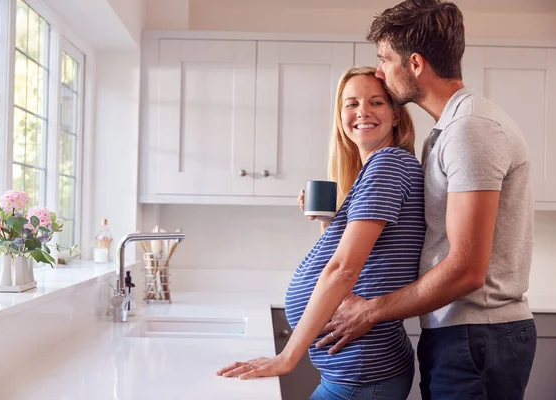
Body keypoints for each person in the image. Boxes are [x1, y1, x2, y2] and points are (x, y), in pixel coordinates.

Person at [316, 1, 537, 399]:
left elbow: (467, 270)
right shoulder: (449, 130)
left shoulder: (471, 129)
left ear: (415, 64)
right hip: (463, 335)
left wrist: (372, 311)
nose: (380, 72)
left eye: (385, 60)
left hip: (478, 336)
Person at [216, 66, 425, 399]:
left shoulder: (387, 163)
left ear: (397, 115)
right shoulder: (378, 167)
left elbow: (344, 270)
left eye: (376, 102)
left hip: (361, 371)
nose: (363, 112)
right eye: (351, 103)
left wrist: (287, 359)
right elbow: (370, 261)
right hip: (358, 369)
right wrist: (330, 224)